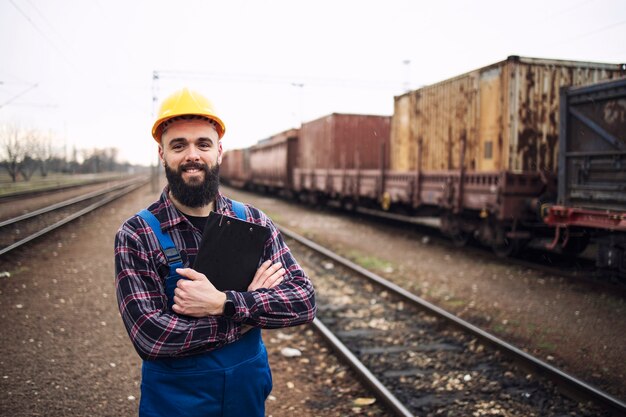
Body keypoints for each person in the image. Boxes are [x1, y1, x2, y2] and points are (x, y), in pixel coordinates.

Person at [114, 87, 317, 417]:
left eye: (203, 144)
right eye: (178, 145)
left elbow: (303, 300)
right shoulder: (137, 234)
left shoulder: (252, 221)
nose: (192, 154)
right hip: (174, 405)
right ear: (162, 154)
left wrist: (223, 304)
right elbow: (152, 338)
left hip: (246, 398)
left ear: (219, 151)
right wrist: (247, 315)